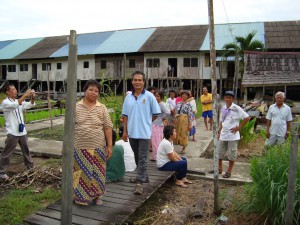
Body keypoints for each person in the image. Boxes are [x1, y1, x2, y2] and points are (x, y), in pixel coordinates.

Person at [73, 79, 113, 206]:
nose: (93, 93)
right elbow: (68, 127)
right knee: (79, 173)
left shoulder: (102, 108)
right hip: (80, 146)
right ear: (85, 91)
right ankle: (79, 197)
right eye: (90, 89)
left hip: (98, 146)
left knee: (98, 172)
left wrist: (110, 146)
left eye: (96, 91)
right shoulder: (76, 107)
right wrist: (65, 146)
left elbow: (107, 127)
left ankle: (97, 196)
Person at [122, 71, 161, 195]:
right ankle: (145, 176)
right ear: (132, 81)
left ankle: (139, 182)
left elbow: (156, 113)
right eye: (135, 80)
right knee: (137, 156)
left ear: (144, 82)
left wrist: (147, 122)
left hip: (144, 133)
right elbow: (125, 116)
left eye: (140, 80)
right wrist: (125, 131)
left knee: (143, 157)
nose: (137, 82)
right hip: (132, 133)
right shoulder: (128, 97)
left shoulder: (149, 96)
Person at [0, 84, 35, 181]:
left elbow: (30, 105)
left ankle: (30, 168)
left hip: (22, 132)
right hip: (12, 133)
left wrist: (32, 97)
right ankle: (1, 172)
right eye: (13, 89)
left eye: (15, 89)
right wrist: (25, 95)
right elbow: (15, 105)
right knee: (7, 153)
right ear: (7, 92)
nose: (15, 91)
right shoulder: (5, 102)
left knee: (26, 151)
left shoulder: (18, 101)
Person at [216, 90, 250, 178]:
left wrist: (239, 127)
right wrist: (219, 131)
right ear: (224, 98)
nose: (228, 99)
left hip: (233, 135)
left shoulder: (237, 108)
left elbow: (247, 118)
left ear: (233, 99)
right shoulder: (223, 108)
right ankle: (219, 168)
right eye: (226, 97)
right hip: (223, 134)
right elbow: (221, 120)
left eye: (230, 98)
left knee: (232, 154)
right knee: (219, 153)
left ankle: (229, 171)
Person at [151, 90, 170, 161]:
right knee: (155, 141)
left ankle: (157, 157)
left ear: (161, 97)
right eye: (155, 96)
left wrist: (163, 118)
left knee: (157, 141)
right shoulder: (155, 104)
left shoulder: (161, 104)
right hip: (154, 124)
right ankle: (156, 156)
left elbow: (168, 112)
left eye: (158, 96)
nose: (156, 97)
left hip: (158, 125)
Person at [174, 90, 193, 154]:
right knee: (177, 133)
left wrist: (190, 123)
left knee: (184, 133)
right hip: (178, 119)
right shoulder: (179, 103)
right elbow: (176, 112)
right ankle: (176, 144)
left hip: (185, 120)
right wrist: (175, 119)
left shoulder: (188, 104)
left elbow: (190, 114)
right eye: (183, 94)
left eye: (186, 95)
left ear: (188, 96)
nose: (184, 96)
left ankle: (184, 148)